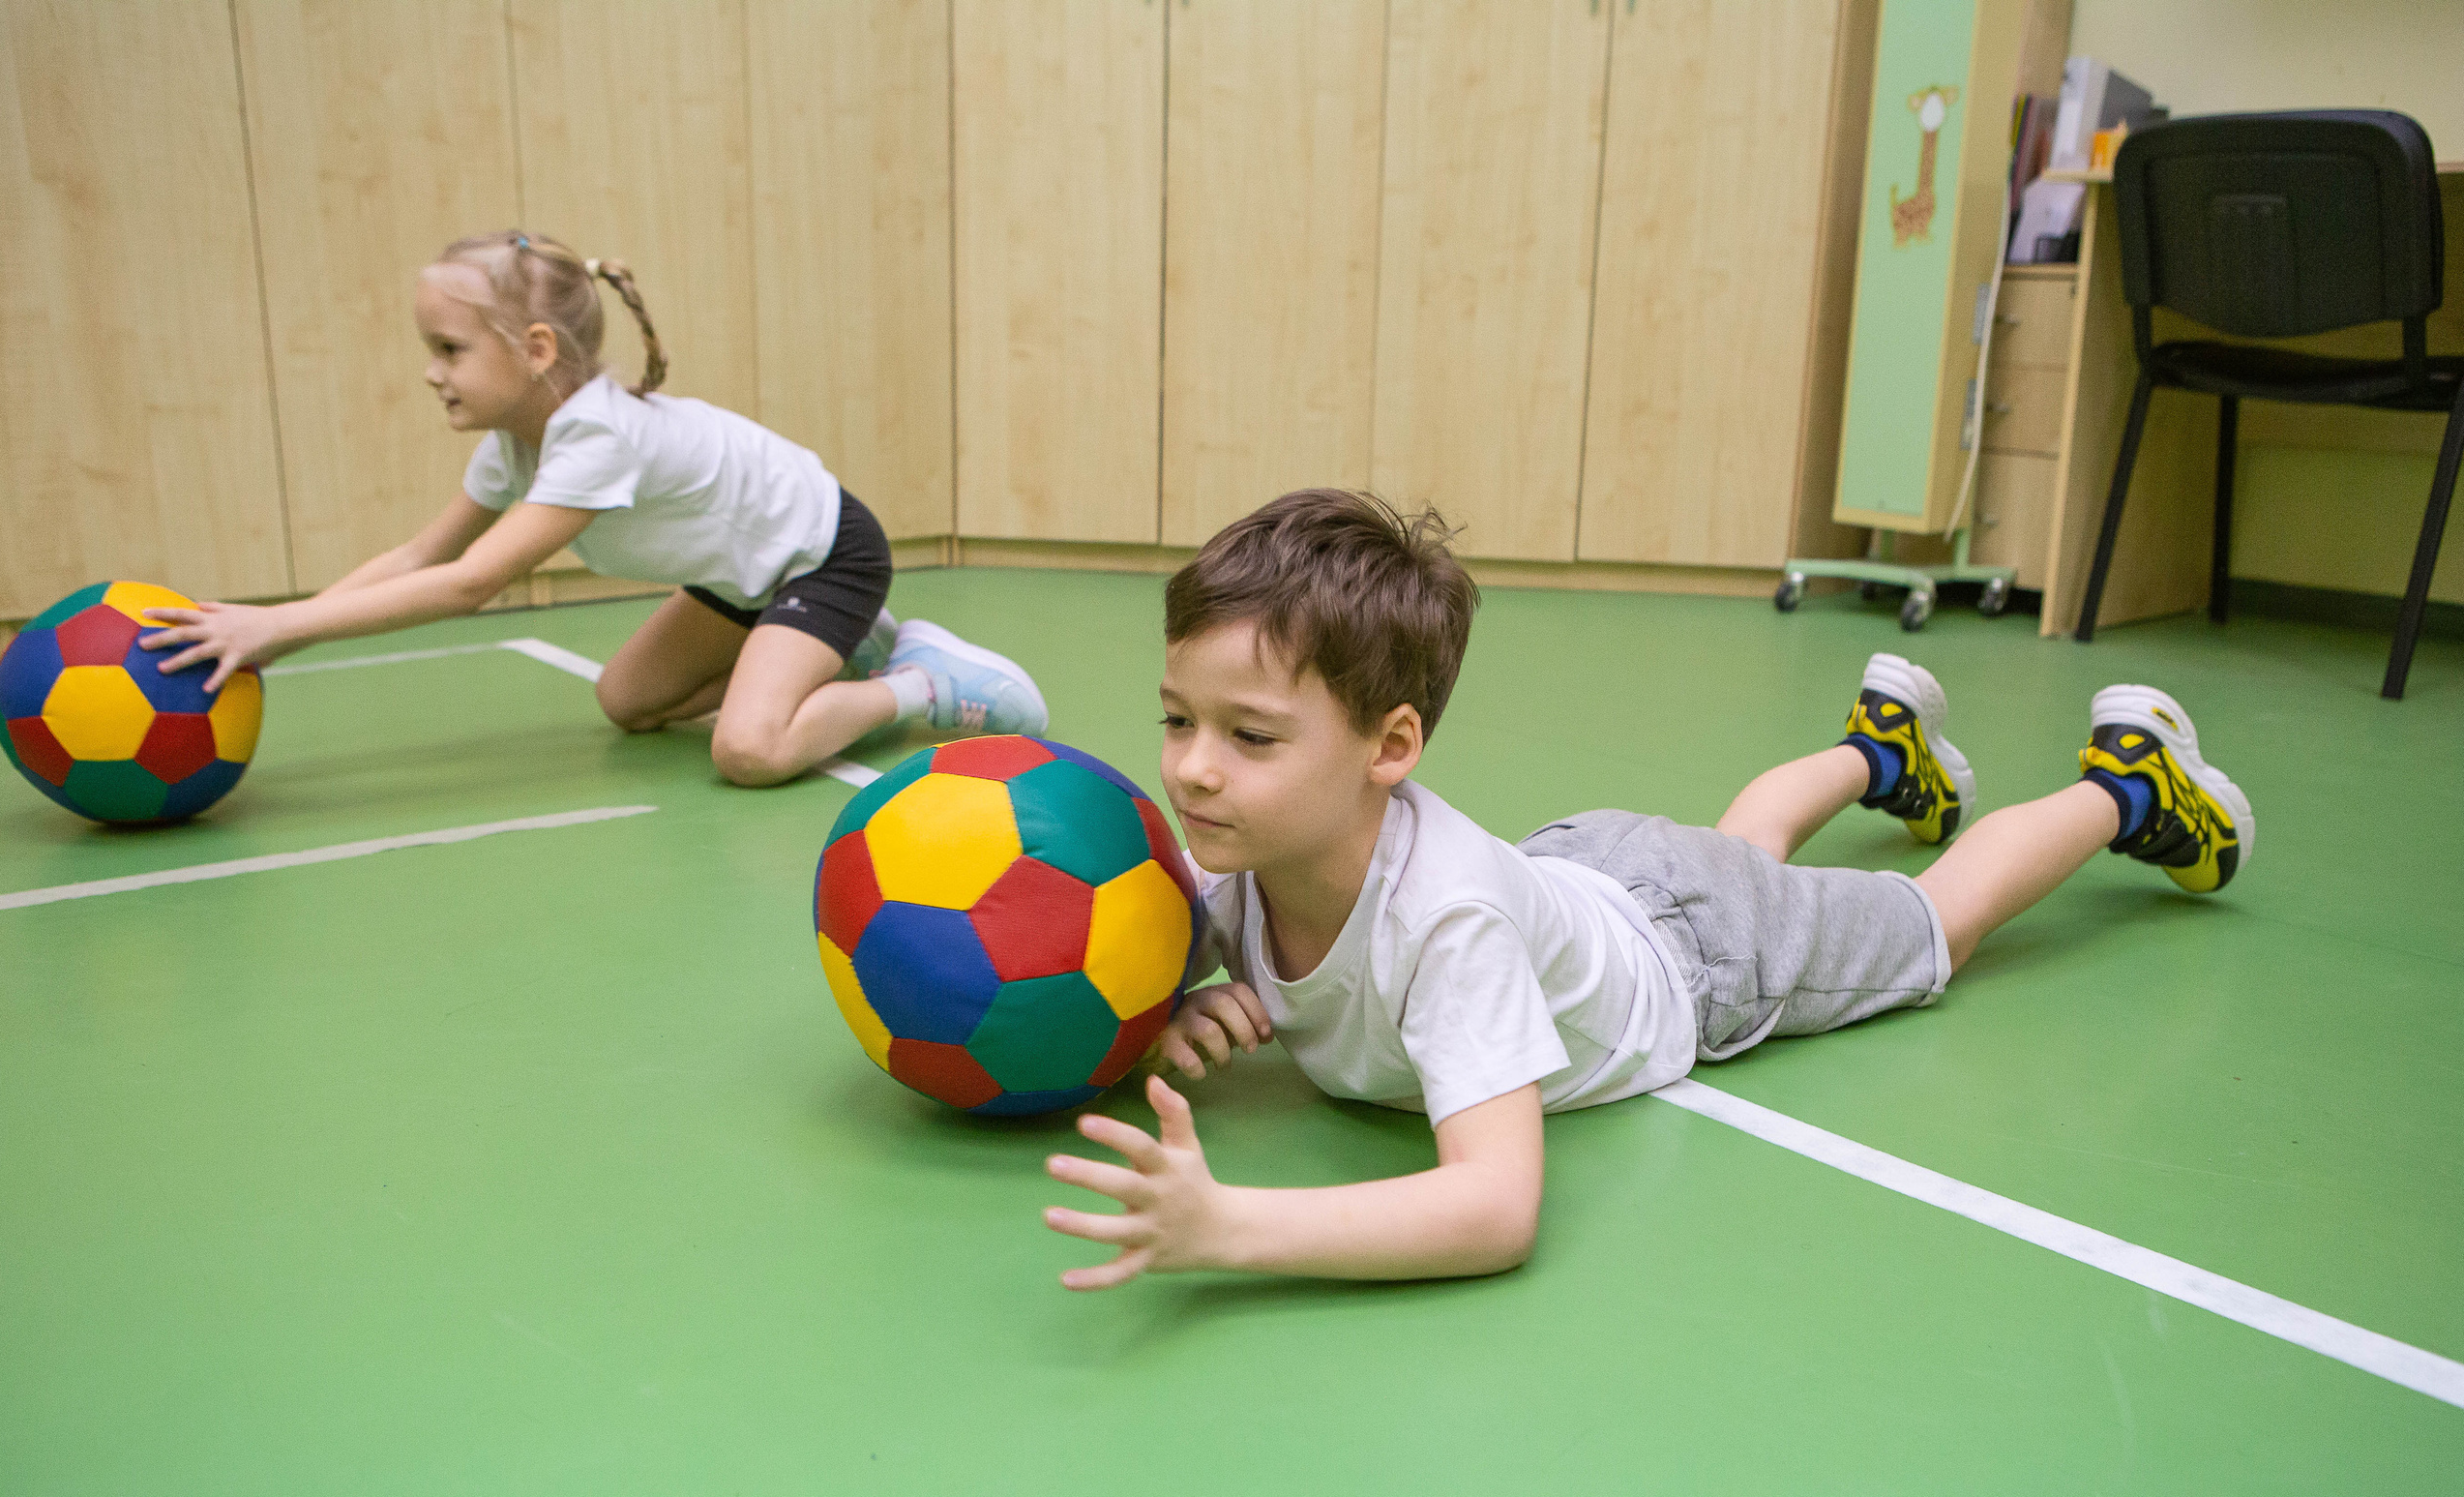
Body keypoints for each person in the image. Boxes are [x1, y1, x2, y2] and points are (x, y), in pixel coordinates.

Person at [1040, 489, 2253, 1291]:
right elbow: (1162, 966)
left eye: (1248, 737)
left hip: (1695, 960)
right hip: (1587, 872)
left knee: (1936, 923)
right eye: (1175, 718)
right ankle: (1882, 752)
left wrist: (1230, 1226)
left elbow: (1494, 1207)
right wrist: (1177, 1007)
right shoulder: (1222, 853)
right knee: (1740, 847)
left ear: (1390, 748)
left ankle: (2128, 788)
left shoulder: (1444, 926)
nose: (1191, 766)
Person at [140, 230, 1045, 787]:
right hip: (742, 576)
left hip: (821, 555)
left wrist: (279, 626)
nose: (431, 370)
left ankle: (921, 681)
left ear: (535, 348)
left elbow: (470, 583)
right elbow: (422, 555)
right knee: (628, 703)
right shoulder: (517, 444)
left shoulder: (596, 435)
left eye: (449, 348)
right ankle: (840, 648)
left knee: (750, 752)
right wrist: (272, 629)